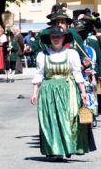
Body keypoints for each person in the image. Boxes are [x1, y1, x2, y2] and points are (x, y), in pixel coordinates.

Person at [31, 27, 96, 161]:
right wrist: (34, 93)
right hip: (49, 90)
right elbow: (38, 74)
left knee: (70, 119)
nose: (56, 39)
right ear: (49, 39)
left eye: (59, 37)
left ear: (63, 38)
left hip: (68, 89)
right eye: (53, 37)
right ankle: (57, 150)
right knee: (51, 120)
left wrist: (83, 92)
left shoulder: (71, 53)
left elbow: (77, 73)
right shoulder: (43, 55)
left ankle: (69, 147)